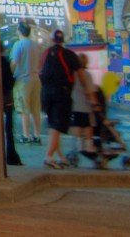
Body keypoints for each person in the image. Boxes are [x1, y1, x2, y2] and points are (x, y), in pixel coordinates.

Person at [38, 30, 78, 168]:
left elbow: (39, 70)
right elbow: (80, 74)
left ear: (51, 40)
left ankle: (61, 157)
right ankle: (49, 156)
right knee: (57, 126)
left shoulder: (45, 53)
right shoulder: (69, 54)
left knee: (54, 126)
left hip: (46, 93)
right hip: (61, 93)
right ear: (63, 41)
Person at [8, 21, 41, 145]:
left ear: (20, 31)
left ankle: (26, 136)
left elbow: (14, 62)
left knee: (24, 109)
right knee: (35, 109)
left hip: (22, 80)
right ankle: (37, 135)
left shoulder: (18, 44)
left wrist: (11, 74)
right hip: (35, 79)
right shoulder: (35, 45)